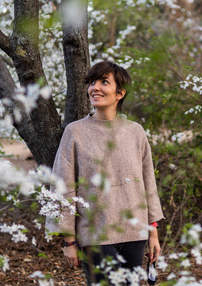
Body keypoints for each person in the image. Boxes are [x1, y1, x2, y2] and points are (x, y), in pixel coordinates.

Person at [46, 61, 164, 285]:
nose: (95, 88)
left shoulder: (135, 132)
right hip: (95, 234)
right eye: (92, 83)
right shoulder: (75, 132)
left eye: (104, 82)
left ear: (120, 93)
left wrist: (153, 233)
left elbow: (148, 183)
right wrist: (69, 241)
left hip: (135, 233)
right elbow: (63, 185)